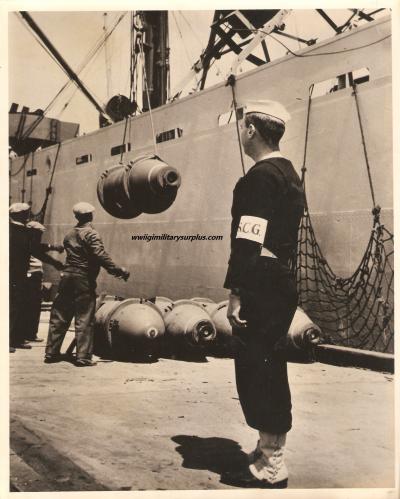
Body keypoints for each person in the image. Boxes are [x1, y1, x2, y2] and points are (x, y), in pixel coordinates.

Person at [222, 100, 305, 489]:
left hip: (259, 280)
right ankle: (266, 451)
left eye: (242, 127)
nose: (241, 133)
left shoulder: (259, 177)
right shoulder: (288, 173)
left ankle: (272, 465)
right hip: (279, 278)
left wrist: (237, 291)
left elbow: (248, 240)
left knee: (258, 369)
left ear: (251, 130)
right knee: (270, 365)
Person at [44, 202, 130, 367]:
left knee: (60, 315)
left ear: (76, 216)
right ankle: (83, 357)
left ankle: (51, 352)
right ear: (91, 215)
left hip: (67, 277)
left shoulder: (69, 234)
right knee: (84, 317)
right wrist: (118, 270)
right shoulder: (91, 234)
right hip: (82, 278)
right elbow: (100, 255)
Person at [9, 203, 64, 352]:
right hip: (17, 275)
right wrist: (56, 262)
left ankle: (16, 339)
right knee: (15, 307)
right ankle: (11, 340)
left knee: (16, 306)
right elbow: (36, 250)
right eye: (27, 213)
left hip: (12, 275)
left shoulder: (10, 229)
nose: (29, 215)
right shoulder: (21, 231)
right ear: (21, 215)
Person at [23, 221, 65, 343]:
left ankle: (31, 333)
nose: (39, 237)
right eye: (38, 234)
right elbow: (38, 250)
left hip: (35, 277)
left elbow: (39, 251)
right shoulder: (27, 243)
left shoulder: (31, 243)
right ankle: (25, 334)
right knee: (28, 306)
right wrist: (53, 248)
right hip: (29, 277)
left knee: (35, 306)